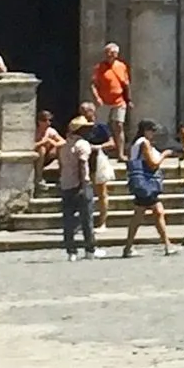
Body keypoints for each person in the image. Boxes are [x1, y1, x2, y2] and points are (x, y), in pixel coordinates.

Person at [115, 120, 175, 256]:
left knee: (144, 214)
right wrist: (165, 154)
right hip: (146, 183)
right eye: (152, 130)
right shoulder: (144, 143)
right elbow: (153, 164)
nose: (154, 134)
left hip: (140, 183)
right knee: (155, 213)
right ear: (146, 130)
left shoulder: (135, 144)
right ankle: (167, 245)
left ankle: (129, 246)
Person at [54, 116, 99, 258]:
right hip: (80, 184)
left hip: (66, 184)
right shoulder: (83, 144)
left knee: (68, 219)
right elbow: (82, 163)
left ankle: (71, 251)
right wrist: (83, 182)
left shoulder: (64, 146)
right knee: (87, 218)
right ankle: (90, 249)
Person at [88, 43, 131, 144]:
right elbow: (93, 85)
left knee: (119, 126)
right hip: (104, 102)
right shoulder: (99, 67)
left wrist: (128, 99)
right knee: (101, 127)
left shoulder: (122, 66)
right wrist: (97, 98)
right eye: (107, 52)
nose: (109, 55)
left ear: (116, 54)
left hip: (119, 101)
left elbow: (126, 84)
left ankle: (120, 153)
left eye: (112, 52)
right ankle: (102, 149)